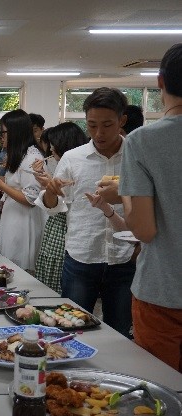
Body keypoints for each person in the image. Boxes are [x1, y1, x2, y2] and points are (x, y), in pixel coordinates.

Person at [35, 87, 135, 338]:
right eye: (92, 126)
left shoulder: (136, 155)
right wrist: (51, 190)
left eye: (107, 125)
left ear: (122, 121)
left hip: (124, 259)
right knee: (70, 328)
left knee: (120, 331)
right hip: (81, 256)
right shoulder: (73, 158)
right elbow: (51, 205)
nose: (99, 133)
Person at [119, 43, 182, 371]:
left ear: (160, 81)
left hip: (164, 290)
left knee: (163, 395)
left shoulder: (143, 141)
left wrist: (125, 192)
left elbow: (144, 229)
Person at [0, 110, 46, 272]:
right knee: (9, 266)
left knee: (18, 270)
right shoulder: (21, 156)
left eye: (3, 133)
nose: (1, 138)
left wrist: (1, 186)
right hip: (13, 218)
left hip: (22, 223)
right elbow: (17, 183)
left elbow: (30, 199)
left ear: (15, 132)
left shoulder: (31, 159)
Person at [32, 123, 87, 294]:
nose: (51, 151)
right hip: (56, 227)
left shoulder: (78, 164)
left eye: (54, 147)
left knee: (60, 281)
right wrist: (49, 183)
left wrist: (50, 185)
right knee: (50, 273)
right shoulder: (63, 162)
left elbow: (69, 202)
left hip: (67, 229)